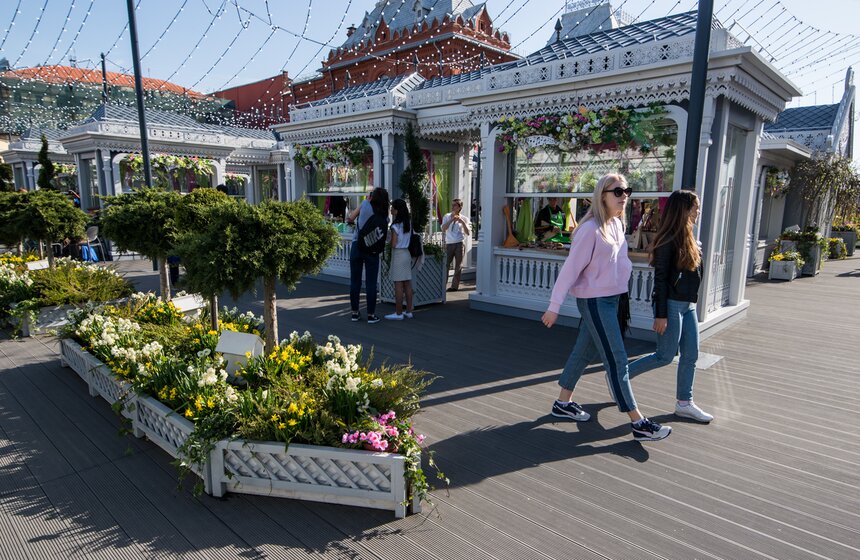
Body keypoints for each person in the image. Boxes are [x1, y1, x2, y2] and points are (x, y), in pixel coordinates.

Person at [541, 173, 672, 442]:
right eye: (618, 191)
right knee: (617, 359)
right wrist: (554, 306)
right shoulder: (589, 230)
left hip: (613, 299)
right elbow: (569, 271)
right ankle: (638, 423)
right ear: (602, 195)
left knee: (584, 350)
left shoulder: (616, 225)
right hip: (595, 301)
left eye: (627, 191)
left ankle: (562, 403)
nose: (624, 196)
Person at [627, 190, 713, 423]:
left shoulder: (691, 237)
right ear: (683, 209)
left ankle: (684, 403)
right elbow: (661, 279)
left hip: (688, 305)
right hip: (671, 305)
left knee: (691, 354)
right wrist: (661, 315)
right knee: (664, 356)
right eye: (695, 207)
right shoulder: (667, 240)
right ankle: (620, 377)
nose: (698, 210)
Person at [346, 187, 389, 323]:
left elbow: (350, 218)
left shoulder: (365, 204)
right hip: (372, 250)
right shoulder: (384, 215)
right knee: (371, 283)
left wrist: (366, 200)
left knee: (355, 281)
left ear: (372, 197)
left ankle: (354, 313)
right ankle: (371, 315)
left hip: (357, 247)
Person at [385, 199, 415, 321]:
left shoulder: (395, 226)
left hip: (398, 254)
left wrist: (387, 239)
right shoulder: (408, 223)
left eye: (392, 208)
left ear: (397, 210)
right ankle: (408, 311)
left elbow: (393, 244)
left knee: (398, 284)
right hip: (406, 253)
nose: (391, 210)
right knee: (407, 283)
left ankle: (398, 313)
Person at [441, 198, 471, 292]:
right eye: (452, 205)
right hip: (449, 244)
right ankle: (442, 285)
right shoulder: (447, 216)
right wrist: (451, 220)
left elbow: (468, 233)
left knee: (458, 266)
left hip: (459, 243)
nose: (452, 207)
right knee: (446, 264)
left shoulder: (465, 218)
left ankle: (454, 286)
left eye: (455, 205)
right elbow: (443, 228)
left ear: (459, 207)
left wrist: (462, 222)